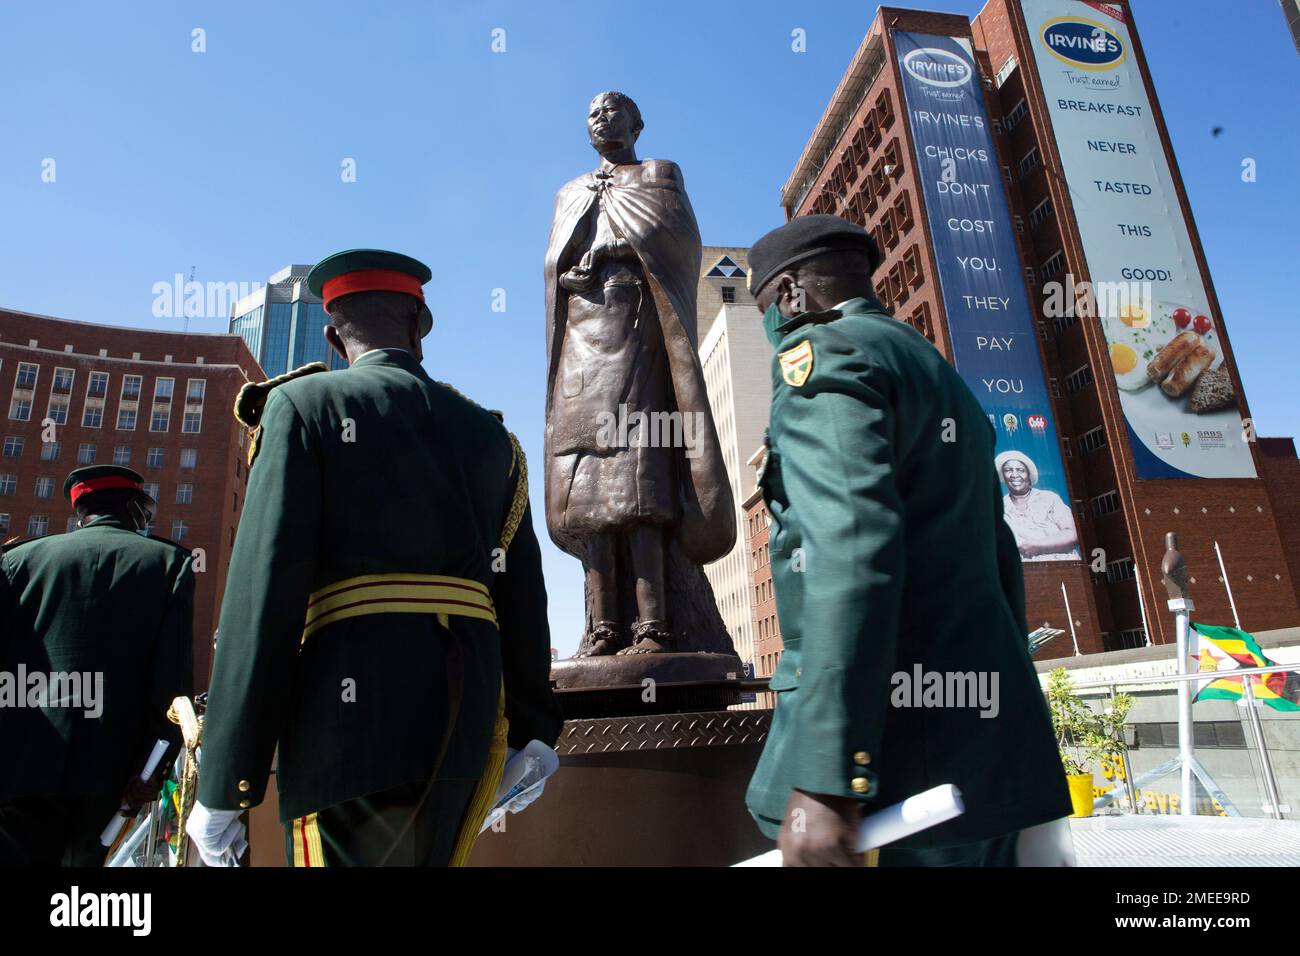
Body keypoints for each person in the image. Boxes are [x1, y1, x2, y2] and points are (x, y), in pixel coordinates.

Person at [189, 249, 562, 867]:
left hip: (347, 717)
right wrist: (534, 733)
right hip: (467, 714)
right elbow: (522, 597)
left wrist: (227, 782)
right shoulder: (491, 435)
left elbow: (265, 596)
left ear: (334, 339)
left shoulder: (301, 408)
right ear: (419, 326)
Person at [744, 215, 1072, 866]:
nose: (771, 332)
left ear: (789, 296)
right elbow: (999, 561)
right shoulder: (935, 370)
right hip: (987, 756)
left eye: (763, 312)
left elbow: (852, 543)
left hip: (895, 775)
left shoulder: (823, 357)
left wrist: (828, 775)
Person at [542, 91, 735, 657]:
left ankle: (653, 625)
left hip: (637, 332)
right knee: (586, 484)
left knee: (637, 474)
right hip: (582, 338)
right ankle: (602, 627)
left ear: (637, 122)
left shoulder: (658, 174)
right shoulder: (571, 191)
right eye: (592, 114)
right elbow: (554, 264)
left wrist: (608, 250)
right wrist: (577, 269)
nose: (602, 120)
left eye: (612, 111)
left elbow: (673, 243)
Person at [0, 465, 193, 866]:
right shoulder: (167, 562)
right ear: (130, 507)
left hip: (19, 762)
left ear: (80, 511)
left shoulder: (17, 561)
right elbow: (169, 684)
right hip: (111, 768)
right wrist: (152, 769)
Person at [995, 451, 1079, 561]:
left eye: (1020, 470)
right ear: (1003, 476)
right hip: (1024, 572)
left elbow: (1072, 535)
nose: (1014, 475)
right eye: (1008, 470)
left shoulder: (1050, 499)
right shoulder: (998, 507)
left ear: (1029, 475)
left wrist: (1037, 546)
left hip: (1062, 567)